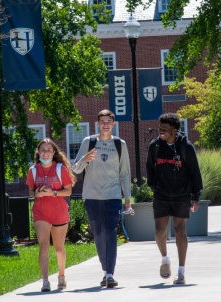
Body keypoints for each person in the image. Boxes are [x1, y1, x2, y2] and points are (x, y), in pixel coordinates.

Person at [72, 109, 132, 288]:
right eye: (102, 121)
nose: (105, 124)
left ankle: (110, 274)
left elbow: (125, 173)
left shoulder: (120, 144)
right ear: (97, 124)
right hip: (92, 196)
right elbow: (75, 168)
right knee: (98, 234)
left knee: (111, 233)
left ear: (113, 124)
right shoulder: (88, 142)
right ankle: (105, 270)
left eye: (109, 121)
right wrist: (85, 159)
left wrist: (127, 198)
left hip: (113, 196)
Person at [145, 113, 203, 285]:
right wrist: (153, 185)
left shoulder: (186, 147)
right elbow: (150, 166)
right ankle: (165, 259)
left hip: (182, 194)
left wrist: (196, 196)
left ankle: (181, 271)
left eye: (165, 129)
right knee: (159, 231)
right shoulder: (155, 146)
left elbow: (194, 172)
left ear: (174, 130)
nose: (160, 132)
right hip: (161, 194)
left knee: (180, 231)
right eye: (160, 128)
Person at [26, 138, 76, 292]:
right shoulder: (33, 170)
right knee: (44, 246)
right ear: (38, 152)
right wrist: (36, 194)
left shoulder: (60, 169)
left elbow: (68, 191)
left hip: (59, 211)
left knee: (59, 248)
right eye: (43, 150)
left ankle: (61, 275)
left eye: (48, 150)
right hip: (40, 212)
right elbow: (30, 192)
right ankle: (45, 281)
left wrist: (53, 192)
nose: (45, 152)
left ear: (54, 152)